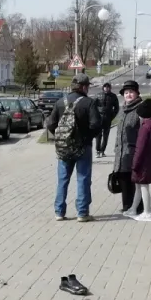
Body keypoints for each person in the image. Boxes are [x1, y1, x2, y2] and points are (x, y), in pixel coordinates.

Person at [45, 74, 102, 223]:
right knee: (83, 179)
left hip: (64, 148)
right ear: (84, 87)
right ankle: (82, 213)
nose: (88, 89)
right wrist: (87, 137)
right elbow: (96, 125)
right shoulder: (89, 103)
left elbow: (51, 124)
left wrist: (61, 137)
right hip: (83, 147)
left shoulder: (59, 103)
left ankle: (59, 212)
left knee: (62, 180)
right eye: (87, 86)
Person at [124, 98, 151, 222]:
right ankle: (133, 209)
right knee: (139, 187)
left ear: (142, 115)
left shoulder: (145, 128)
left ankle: (147, 212)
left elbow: (139, 148)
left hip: (143, 164)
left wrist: (134, 164)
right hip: (150, 162)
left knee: (143, 187)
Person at [113, 80, 145, 215]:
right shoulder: (122, 109)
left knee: (135, 180)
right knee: (123, 178)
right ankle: (126, 205)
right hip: (121, 150)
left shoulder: (140, 109)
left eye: (131, 92)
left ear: (137, 93)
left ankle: (138, 206)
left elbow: (144, 131)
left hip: (134, 150)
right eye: (126, 93)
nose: (128, 95)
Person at [94, 82, 119, 158]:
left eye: (108, 87)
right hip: (99, 118)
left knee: (106, 136)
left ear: (110, 88)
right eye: (105, 87)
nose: (106, 88)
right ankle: (98, 150)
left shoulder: (113, 96)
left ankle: (102, 151)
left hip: (108, 118)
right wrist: (95, 116)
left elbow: (116, 108)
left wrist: (112, 116)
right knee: (98, 135)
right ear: (103, 88)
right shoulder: (98, 95)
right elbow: (93, 107)